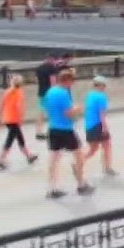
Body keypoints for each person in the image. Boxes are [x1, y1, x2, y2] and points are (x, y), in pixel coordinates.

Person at [42, 69, 94, 199]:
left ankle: (52, 189)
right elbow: (68, 113)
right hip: (65, 129)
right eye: (72, 81)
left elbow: (47, 108)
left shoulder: (50, 91)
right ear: (67, 81)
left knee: (53, 160)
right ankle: (81, 185)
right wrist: (78, 109)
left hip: (53, 128)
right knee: (79, 155)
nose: (72, 84)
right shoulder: (63, 93)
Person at [0, 74, 38, 170]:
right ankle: (0, 160)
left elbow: (1, 105)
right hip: (14, 119)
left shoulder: (7, 91)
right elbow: (19, 107)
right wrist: (20, 118)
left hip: (7, 118)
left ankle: (29, 156)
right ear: (21, 83)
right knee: (10, 140)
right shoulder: (19, 92)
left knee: (19, 138)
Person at [83, 75, 116, 176]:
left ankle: (79, 162)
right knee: (106, 145)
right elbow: (102, 114)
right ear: (101, 85)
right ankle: (107, 167)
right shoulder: (101, 96)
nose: (104, 87)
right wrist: (104, 127)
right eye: (104, 85)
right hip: (98, 124)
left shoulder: (90, 95)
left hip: (89, 124)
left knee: (94, 148)